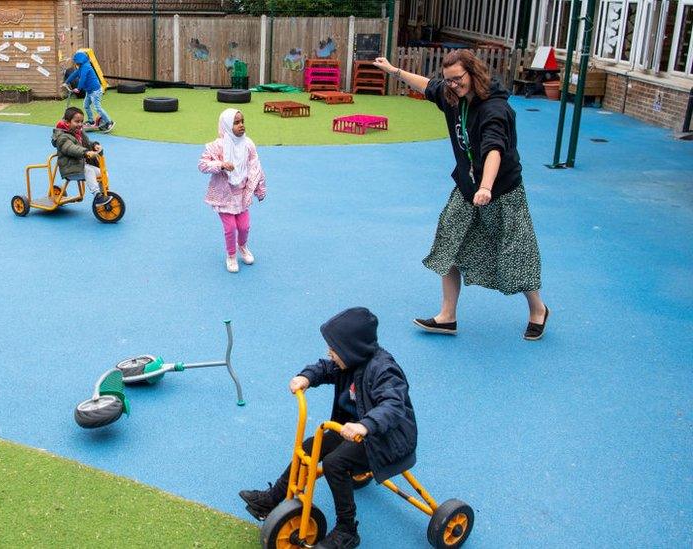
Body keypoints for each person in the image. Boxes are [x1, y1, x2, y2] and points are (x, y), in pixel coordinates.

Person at [372, 50, 550, 340]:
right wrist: (394, 71)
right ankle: (447, 317)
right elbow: (428, 85)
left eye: (458, 79)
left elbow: (494, 149)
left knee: (516, 254)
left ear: (474, 73)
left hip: (501, 190)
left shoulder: (494, 109)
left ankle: (538, 309)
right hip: (468, 188)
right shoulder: (452, 94)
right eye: (449, 80)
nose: (452, 86)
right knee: (449, 243)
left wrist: (486, 187)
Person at [239, 307, 417, 549]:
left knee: (335, 464)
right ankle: (274, 498)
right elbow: (324, 367)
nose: (330, 353)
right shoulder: (347, 362)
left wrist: (365, 426)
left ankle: (347, 530)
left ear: (352, 349)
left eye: (334, 349)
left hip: (385, 440)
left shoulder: (383, 370)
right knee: (311, 446)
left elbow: (393, 405)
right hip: (354, 432)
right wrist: (307, 377)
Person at [198, 108, 267, 273]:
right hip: (225, 196)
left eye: (242, 121)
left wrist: (260, 189)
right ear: (227, 125)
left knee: (244, 226)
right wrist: (220, 165)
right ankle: (231, 255)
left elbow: (255, 167)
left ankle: (242, 247)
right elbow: (202, 164)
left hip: (242, 196)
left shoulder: (248, 144)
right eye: (236, 123)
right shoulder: (218, 146)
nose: (241, 125)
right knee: (230, 228)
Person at [51, 106, 111, 206]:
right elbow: (71, 148)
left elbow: (86, 143)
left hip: (80, 165)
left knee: (103, 172)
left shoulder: (79, 132)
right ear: (67, 122)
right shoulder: (62, 137)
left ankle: (104, 192)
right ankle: (97, 195)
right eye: (76, 121)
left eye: (81, 121)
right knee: (89, 171)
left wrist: (94, 146)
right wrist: (86, 152)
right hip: (70, 169)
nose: (80, 124)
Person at [64, 51, 115, 132]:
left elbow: (83, 78)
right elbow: (74, 74)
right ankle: (91, 121)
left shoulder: (86, 67)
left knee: (97, 108)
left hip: (95, 91)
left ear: (80, 60)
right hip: (89, 91)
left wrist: (79, 88)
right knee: (86, 105)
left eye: (76, 61)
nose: (75, 63)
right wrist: (66, 82)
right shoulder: (80, 68)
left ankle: (109, 122)